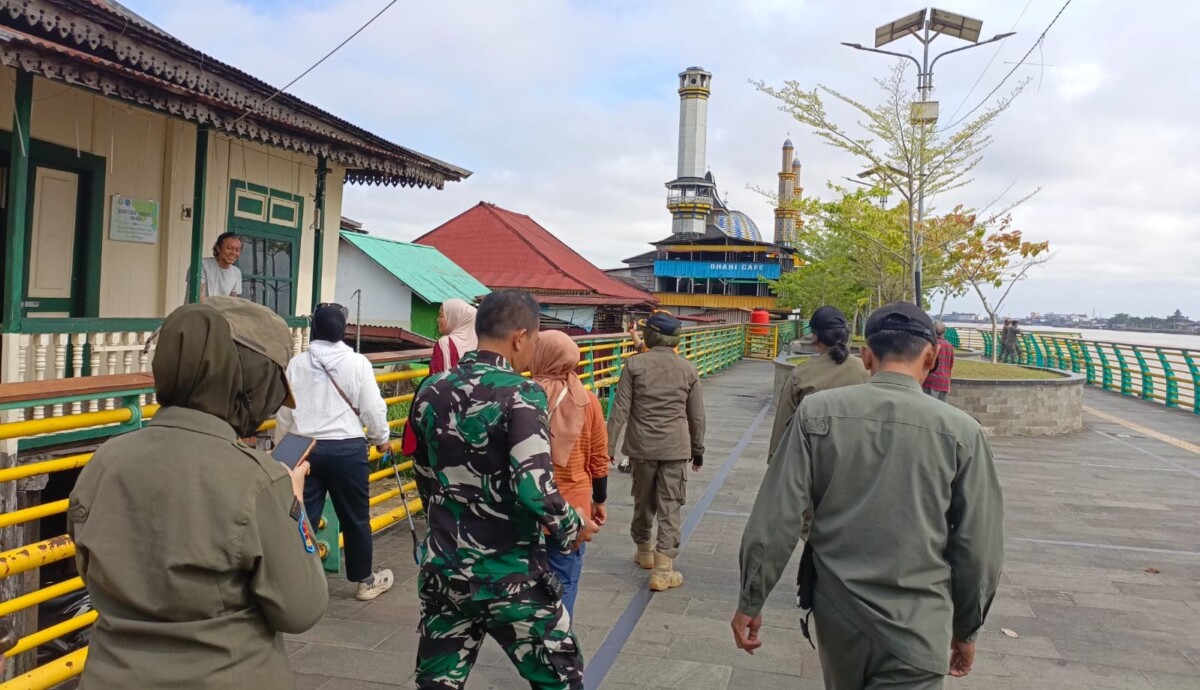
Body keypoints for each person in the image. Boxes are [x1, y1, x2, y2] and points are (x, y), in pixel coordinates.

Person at [732, 302, 1004, 690]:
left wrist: (751, 600)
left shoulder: (816, 414)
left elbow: (776, 518)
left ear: (867, 355)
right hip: (919, 624)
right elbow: (980, 546)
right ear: (930, 356)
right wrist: (967, 629)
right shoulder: (962, 432)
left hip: (838, 614)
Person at [68, 297, 328, 689]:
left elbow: (91, 569)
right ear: (251, 384)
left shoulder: (104, 461)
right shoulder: (261, 481)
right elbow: (301, 609)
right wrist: (292, 501)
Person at [410, 289, 600, 690]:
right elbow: (534, 487)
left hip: (445, 569)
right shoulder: (522, 394)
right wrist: (572, 527)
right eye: (533, 340)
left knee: (438, 681)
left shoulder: (431, 389)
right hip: (510, 576)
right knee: (560, 677)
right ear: (520, 337)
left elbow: (425, 476)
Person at [276, 303, 394, 601]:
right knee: (355, 517)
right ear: (343, 330)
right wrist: (382, 438)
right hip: (346, 448)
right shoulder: (358, 363)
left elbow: (285, 413)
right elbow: (372, 408)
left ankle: (298, 582)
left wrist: (284, 450)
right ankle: (365, 581)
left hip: (303, 446)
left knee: (302, 516)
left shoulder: (297, 363)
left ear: (315, 328)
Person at [607, 311, 705, 592]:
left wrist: (608, 448)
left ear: (650, 335)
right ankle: (664, 569)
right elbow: (696, 416)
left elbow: (620, 410)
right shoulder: (688, 368)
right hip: (675, 447)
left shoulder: (634, 365)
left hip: (641, 447)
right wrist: (698, 450)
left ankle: (644, 550)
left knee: (643, 499)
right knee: (671, 504)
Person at [531, 330, 611, 616]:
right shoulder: (587, 401)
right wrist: (598, 500)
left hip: (528, 505)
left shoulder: (522, 395)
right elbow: (599, 458)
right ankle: (557, 643)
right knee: (563, 580)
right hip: (573, 508)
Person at [768, 305, 870, 456]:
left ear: (815, 336)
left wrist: (775, 458)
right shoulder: (866, 372)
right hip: (858, 458)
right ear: (845, 335)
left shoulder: (801, 374)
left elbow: (782, 428)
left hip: (812, 461)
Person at [400, 298, 478, 456]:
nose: (438, 320)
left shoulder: (445, 343)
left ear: (455, 317)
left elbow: (435, 380)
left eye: (442, 315)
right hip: (473, 411)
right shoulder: (478, 343)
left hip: (447, 414)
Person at [200, 232, 244, 300]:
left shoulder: (236, 272)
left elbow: (233, 300)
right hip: (198, 310)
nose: (233, 253)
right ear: (218, 248)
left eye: (237, 250)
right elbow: (197, 296)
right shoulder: (202, 264)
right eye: (229, 248)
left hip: (221, 310)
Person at [923, 321, 956, 401]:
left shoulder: (931, 343)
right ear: (944, 332)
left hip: (930, 382)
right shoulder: (949, 346)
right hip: (944, 383)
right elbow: (950, 365)